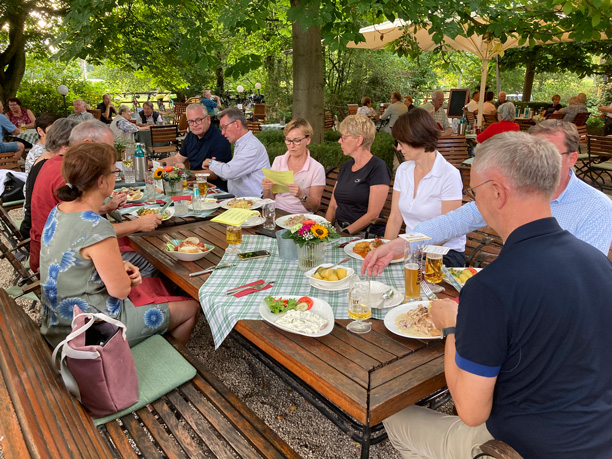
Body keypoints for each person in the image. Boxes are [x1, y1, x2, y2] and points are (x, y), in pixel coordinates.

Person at [383, 131, 612, 458]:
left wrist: (450, 326)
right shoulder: (598, 263)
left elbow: (471, 411)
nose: (473, 201)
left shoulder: (491, 287)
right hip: (599, 438)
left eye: (473, 192)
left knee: (393, 414)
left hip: (522, 447)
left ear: (497, 192)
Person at [362, 120, 612, 277]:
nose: (535, 161)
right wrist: (402, 244)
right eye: (530, 152)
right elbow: (453, 221)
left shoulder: (597, 207)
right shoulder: (512, 189)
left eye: (549, 154)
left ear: (572, 159)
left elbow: (581, 275)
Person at [39, 142, 200, 348]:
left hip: (57, 322)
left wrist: (117, 265)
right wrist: (124, 278)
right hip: (89, 331)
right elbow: (121, 291)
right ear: (101, 181)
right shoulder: (97, 226)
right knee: (190, 309)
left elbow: (76, 257)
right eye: (114, 171)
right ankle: (148, 362)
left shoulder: (60, 209)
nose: (116, 175)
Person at [30, 119, 163, 275]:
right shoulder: (69, 174)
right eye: (108, 148)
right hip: (63, 265)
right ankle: (150, 296)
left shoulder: (58, 163)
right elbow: (87, 232)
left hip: (50, 252)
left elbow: (76, 218)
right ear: (89, 143)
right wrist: (139, 225)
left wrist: (103, 208)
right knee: (155, 259)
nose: (112, 154)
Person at [385, 109, 464, 265]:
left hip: (444, 254)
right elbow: (395, 218)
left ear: (417, 139)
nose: (398, 148)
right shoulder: (403, 170)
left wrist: (409, 253)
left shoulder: (449, 175)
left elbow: (446, 231)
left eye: (401, 142)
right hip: (411, 250)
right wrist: (386, 249)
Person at [325, 115, 390, 236]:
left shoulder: (378, 167)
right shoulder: (345, 167)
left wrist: (343, 234)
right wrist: (324, 232)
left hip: (364, 235)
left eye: (344, 137)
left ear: (359, 140)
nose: (340, 141)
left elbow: (373, 214)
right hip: (339, 231)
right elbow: (333, 206)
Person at [21, 118, 78, 239]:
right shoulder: (56, 166)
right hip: (43, 233)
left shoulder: (46, 159)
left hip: (36, 224)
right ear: (66, 145)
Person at [202, 107, 269, 197]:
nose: (222, 132)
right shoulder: (241, 143)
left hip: (254, 203)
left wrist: (211, 163)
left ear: (237, 124)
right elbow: (234, 172)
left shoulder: (251, 146)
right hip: (240, 200)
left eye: (224, 127)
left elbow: (230, 172)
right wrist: (217, 166)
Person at [261, 118, 325, 213]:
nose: (291, 145)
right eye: (288, 140)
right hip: (277, 212)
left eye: (297, 141)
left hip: (301, 217)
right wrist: (266, 189)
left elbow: (314, 207)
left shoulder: (316, 168)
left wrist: (301, 195)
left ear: (308, 140)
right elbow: (270, 198)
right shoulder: (279, 160)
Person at [163, 104, 232, 191]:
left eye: (198, 120)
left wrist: (187, 173)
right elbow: (177, 159)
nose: (194, 124)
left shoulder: (220, 139)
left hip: (215, 190)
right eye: (191, 121)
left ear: (208, 119)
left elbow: (214, 174)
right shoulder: (191, 135)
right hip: (193, 187)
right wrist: (154, 163)